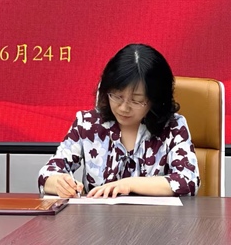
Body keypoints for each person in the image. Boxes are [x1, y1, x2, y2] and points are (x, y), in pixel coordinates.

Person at [38, 43, 200, 198]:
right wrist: (59, 183)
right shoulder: (88, 124)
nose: (123, 108)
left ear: (155, 100)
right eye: (117, 96)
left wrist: (128, 184)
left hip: (155, 217)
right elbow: (47, 174)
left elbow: (188, 181)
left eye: (136, 100)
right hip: (97, 217)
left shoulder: (173, 128)